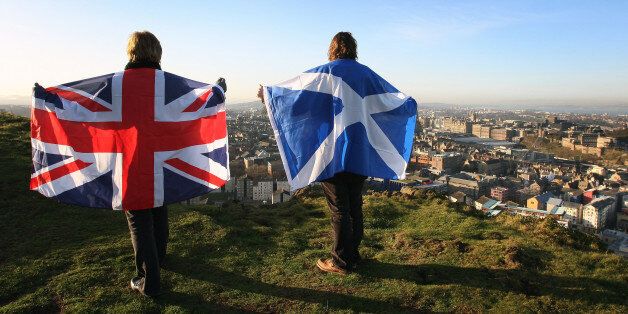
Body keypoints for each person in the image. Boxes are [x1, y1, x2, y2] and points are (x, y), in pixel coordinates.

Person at [124, 31, 227, 296]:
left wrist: (48, 99)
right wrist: (215, 92)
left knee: (139, 220)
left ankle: (150, 282)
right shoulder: (166, 85)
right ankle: (160, 258)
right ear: (157, 53)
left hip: (132, 163)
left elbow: (83, 108)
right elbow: (193, 104)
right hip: (163, 161)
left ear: (131, 52)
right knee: (158, 207)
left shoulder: (118, 85)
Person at [257, 32, 367, 275]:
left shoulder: (325, 74)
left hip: (333, 152)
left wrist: (269, 97)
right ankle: (353, 255)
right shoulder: (365, 74)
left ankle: (341, 261)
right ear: (353, 49)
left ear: (333, 49)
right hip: (359, 152)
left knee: (339, 208)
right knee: (355, 205)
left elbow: (298, 101)